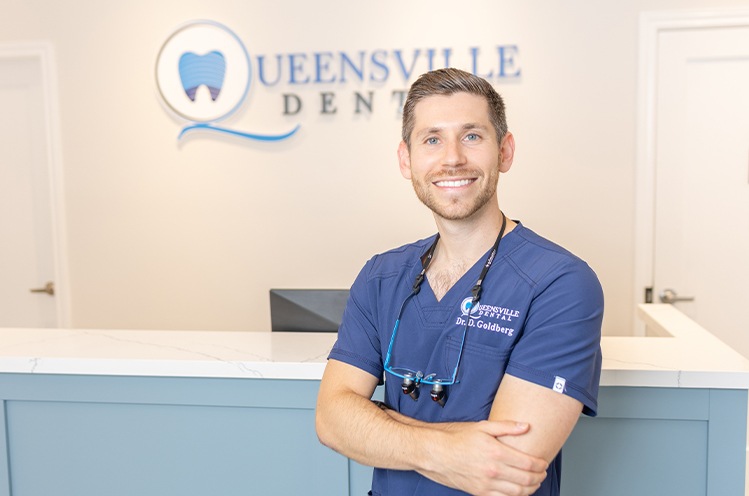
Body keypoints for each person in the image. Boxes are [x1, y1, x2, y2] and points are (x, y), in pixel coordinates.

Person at [315, 67, 603, 496]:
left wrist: (378, 424)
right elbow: (332, 419)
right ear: (406, 159)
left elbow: (507, 464)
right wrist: (449, 450)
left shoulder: (560, 283)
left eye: (472, 136)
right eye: (432, 139)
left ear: (505, 152)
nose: (452, 158)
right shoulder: (382, 275)